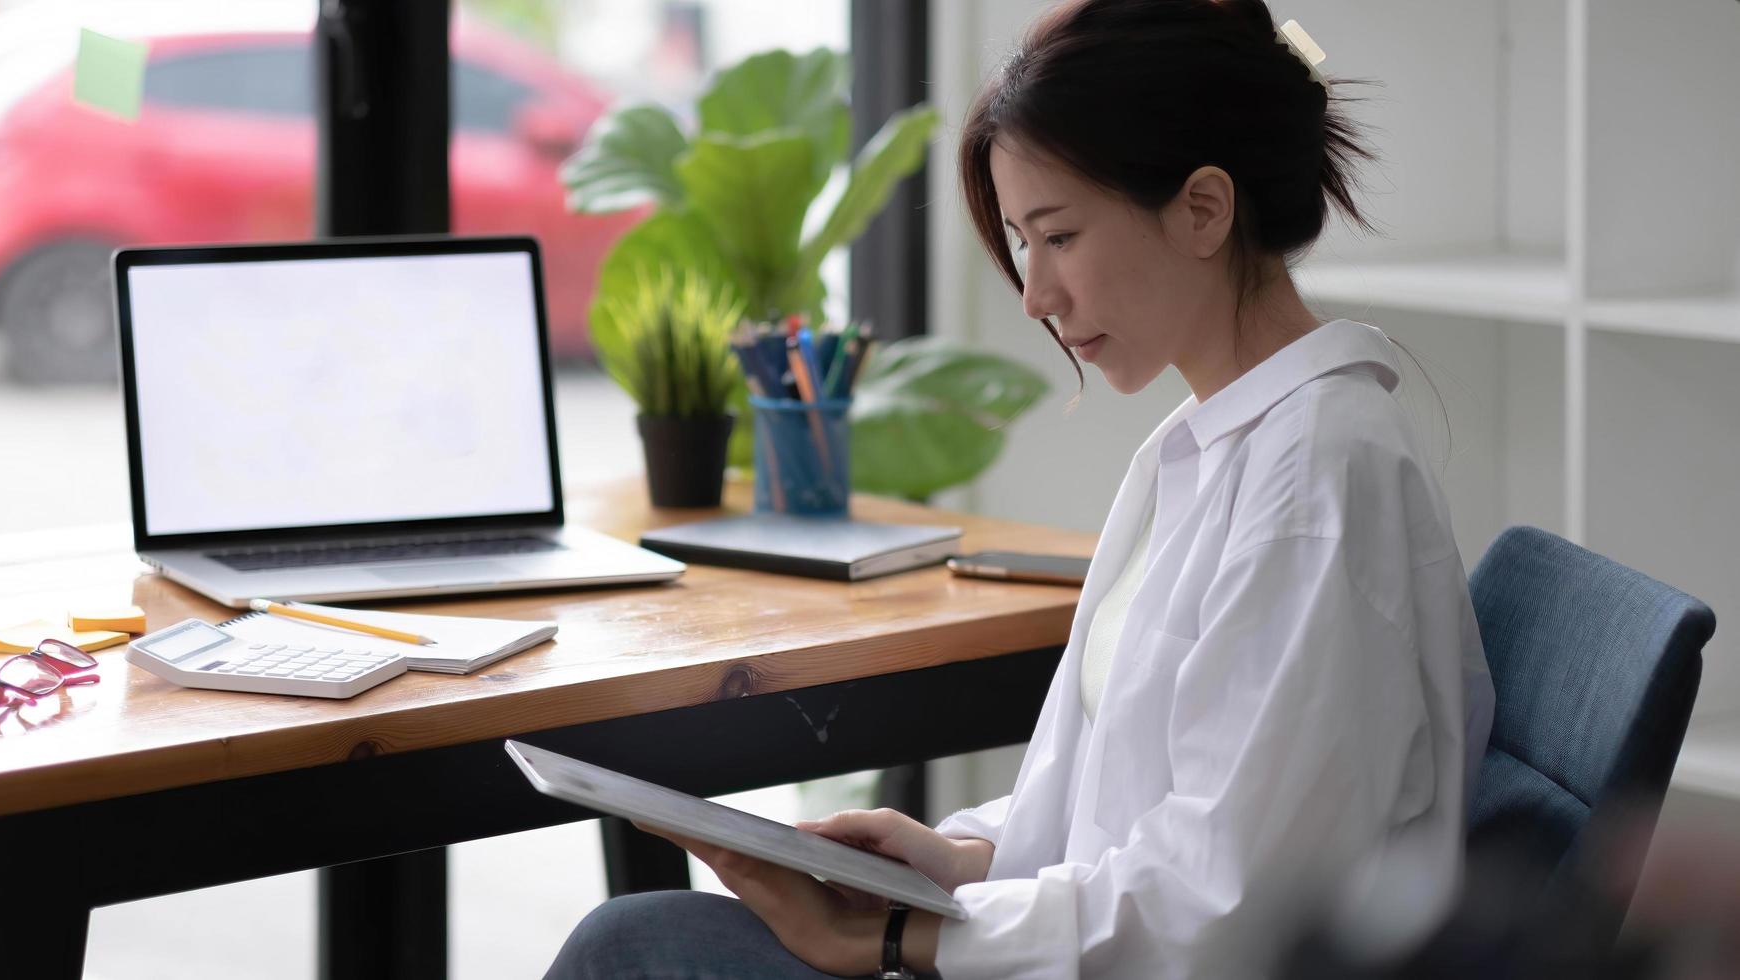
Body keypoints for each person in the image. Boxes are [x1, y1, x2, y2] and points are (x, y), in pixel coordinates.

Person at [546, 0, 1496, 976]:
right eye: (1020, 243)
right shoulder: (1211, 444)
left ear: (1202, 208)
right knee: (636, 939)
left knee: (630, 946)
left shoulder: (1313, 481)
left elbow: (1228, 905)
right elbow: (1132, 810)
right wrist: (963, 857)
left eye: (1058, 235)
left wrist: (890, 934)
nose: (1036, 295)